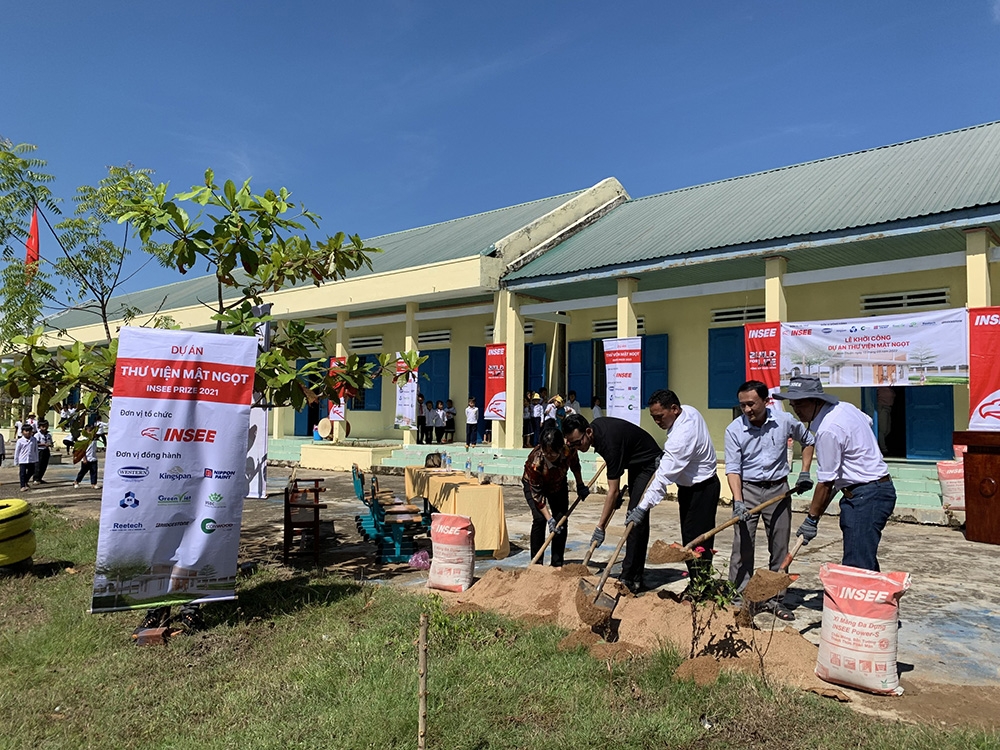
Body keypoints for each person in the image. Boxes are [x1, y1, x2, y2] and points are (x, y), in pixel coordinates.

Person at [775, 375, 897, 572]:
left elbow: (825, 483)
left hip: (866, 496)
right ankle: (872, 599)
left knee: (857, 564)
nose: (796, 410)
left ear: (816, 401)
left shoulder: (828, 430)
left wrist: (811, 518)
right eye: (793, 404)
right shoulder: (845, 408)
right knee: (863, 558)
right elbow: (867, 423)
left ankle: (859, 601)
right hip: (870, 490)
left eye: (800, 404)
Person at [725, 381, 815, 621]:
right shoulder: (734, 430)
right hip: (748, 490)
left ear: (765, 402)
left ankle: (776, 599)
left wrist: (805, 472)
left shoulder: (784, 422)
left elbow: (808, 440)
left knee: (779, 547)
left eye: (751, 404)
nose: (746, 410)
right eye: (742, 405)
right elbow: (733, 469)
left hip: (779, 491)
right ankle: (739, 598)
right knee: (743, 547)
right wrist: (738, 501)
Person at [624, 390, 721, 579]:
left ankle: (699, 588)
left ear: (674, 409)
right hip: (689, 487)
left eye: (660, 417)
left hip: (702, 489)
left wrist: (642, 508)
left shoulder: (682, 436)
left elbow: (663, 477)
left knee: (697, 541)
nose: (657, 422)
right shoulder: (689, 411)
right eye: (653, 418)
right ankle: (697, 583)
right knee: (690, 537)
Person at [563, 413, 662, 594]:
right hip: (633, 462)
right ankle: (634, 574)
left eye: (578, 442)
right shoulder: (598, 433)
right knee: (635, 517)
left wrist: (600, 527)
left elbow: (613, 490)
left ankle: (630, 577)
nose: (575, 447)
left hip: (648, 463)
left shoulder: (609, 443)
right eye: (571, 444)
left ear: (588, 432)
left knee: (634, 518)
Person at [522, 426, 588, 568]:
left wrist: (580, 485)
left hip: (558, 483)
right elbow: (537, 496)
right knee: (540, 519)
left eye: (553, 453)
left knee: (560, 521)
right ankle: (537, 564)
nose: (549, 455)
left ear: (560, 448)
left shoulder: (568, 450)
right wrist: (548, 518)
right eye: (546, 452)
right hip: (535, 486)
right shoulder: (536, 461)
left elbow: (575, 466)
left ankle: (557, 564)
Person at [15, 424, 38, 492]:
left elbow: (35, 449)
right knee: (22, 473)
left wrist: (36, 459)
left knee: (32, 471)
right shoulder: (20, 441)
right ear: (22, 432)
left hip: (31, 459)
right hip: (23, 459)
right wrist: (16, 460)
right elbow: (17, 451)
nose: (28, 432)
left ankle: (25, 481)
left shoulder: (34, 439)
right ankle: (22, 486)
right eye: (26, 431)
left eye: (29, 431)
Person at [34, 419, 54, 484]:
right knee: (38, 465)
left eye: (46, 426)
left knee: (44, 465)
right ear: (39, 427)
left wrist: (51, 444)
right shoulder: (37, 435)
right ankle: (36, 478)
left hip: (46, 450)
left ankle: (40, 478)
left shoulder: (48, 435)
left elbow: (50, 441)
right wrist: (44, 444)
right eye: (43, 426)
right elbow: (35, 443)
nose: (45, 428)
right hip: (40, 451)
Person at [876, 386, 895, 454]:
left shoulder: (890, 388)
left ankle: (881, 445)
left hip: (888, 408)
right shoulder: (879, 388)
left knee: (887, 430)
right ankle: (883, 449)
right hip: (882, 408)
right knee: (882, 430)